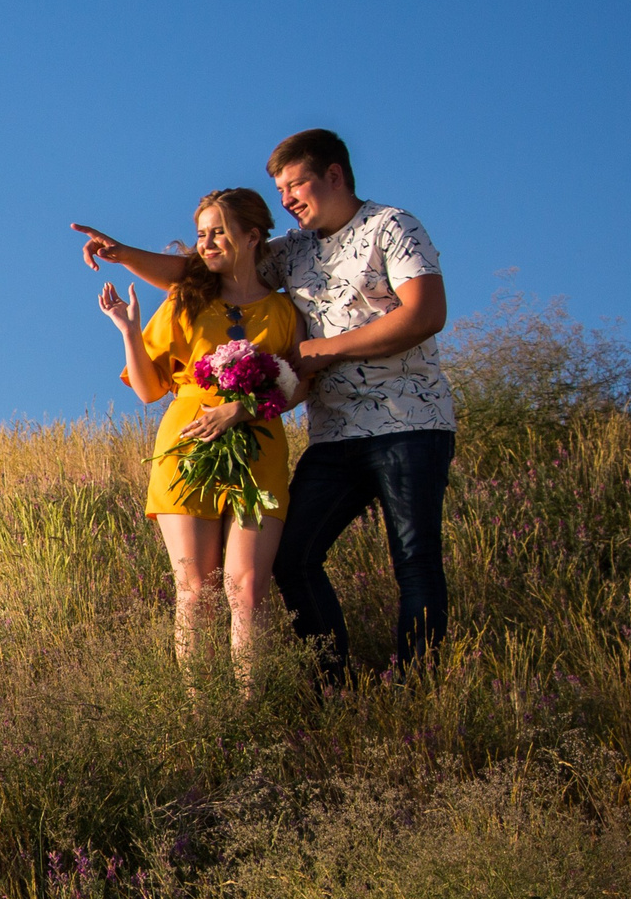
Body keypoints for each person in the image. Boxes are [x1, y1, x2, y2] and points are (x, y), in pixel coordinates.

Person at [75, 129, 454, 680]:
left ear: (334, 175)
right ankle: (335, 686)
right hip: (335, 433)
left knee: (414, 559)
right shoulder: (294, 250)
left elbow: (425, 314)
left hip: (409, 422)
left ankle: (423, 684)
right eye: (279, 190)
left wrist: (322, 349)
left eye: (295, 184)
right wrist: (121, 253)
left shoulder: (391, 227)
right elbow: (207, 271)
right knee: (293, 558)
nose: (287, 199)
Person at [97, 187, 301, 694]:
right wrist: (128, 330)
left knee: (248, 589)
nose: (206, 244)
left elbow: (297, 385)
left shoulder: (283, 311)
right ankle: (203, 714)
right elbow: (147, 391)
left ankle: (250, 710)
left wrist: (242, 406)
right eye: (201, 234)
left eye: (219, 233)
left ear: (253, 237)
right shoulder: (184, 302)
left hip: (260, 450)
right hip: (186, 447)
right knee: (194, 592)